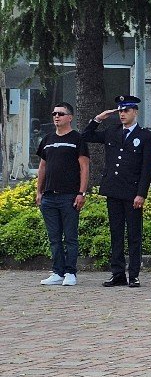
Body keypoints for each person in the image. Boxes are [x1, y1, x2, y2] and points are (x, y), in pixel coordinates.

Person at [83, 95, 151, 288]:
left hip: (132, 192)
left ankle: (134, 275)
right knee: (116, 234)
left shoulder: (145, 136)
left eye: (126, 110)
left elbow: (147, 167)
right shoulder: (112, 131)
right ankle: (118, 274)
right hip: (113, 189)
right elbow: (86, 136)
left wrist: (141, 193)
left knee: (134, 235)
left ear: (135, 112)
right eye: (120, 110)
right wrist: (98, 119)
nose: (122, 114)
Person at [37, 103, 90, 287]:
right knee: (54, 237)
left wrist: (81, 192)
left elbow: (84, 167)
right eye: (54, 113)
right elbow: (42, 167)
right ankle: (57, 272)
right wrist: (39, 191)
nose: (56, 116)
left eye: (60, 113)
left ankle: (70, 272)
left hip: (69, 196)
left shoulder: (77, 139)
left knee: (70, 237)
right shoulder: (47, 139)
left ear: (70, 117)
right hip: (49, 196)